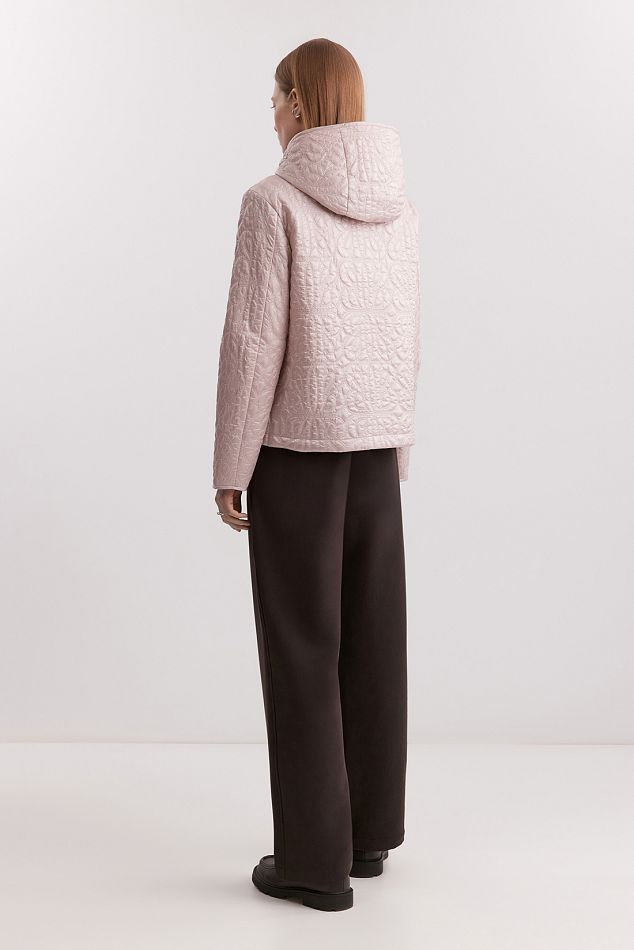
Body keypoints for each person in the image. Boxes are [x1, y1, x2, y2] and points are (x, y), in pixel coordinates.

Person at [211, 37, 421, 912]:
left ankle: (312, 865)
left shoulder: (273, 203)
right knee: (373, 643)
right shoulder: (398, 207)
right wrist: (398, 446)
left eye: (275, 97)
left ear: (300, 101)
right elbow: (405, 328)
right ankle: (367, 837)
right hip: (375, 450)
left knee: (302, 650)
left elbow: (253, 341)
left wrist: (232, 463)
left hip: (297, 452)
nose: (271, 113)